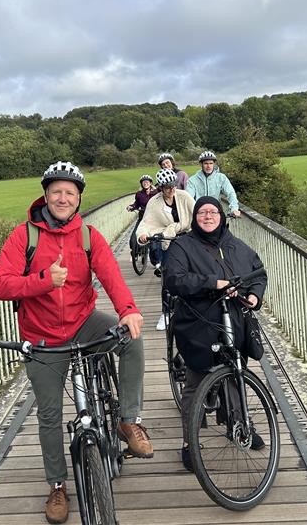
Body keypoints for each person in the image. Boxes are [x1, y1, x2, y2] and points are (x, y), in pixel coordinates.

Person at [0, 160, 153, 524]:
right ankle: (57, 486)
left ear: (79, 198)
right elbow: (1, 284)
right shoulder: (24, 236)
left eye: (70, 192)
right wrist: (44, 280)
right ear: (46, 196)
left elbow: (111, 274)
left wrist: (128, 309)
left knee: (131, 338)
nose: (63, 198)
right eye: (56, 192)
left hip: (83, 322)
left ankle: (128, 420)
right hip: (42, 335)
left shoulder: (88, 236)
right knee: (49, 415)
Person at [162, 196, 268, 471]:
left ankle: (241, 424)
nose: (208, 216)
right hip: (198, 322)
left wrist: (254, 296)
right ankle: (189, 443)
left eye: (213, 212)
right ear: (195, 216)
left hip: (233, 320)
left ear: (221, 216)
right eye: (202, 212)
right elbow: (174, 279)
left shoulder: (235, 246)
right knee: (197, 382)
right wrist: (214, 283)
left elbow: (258, 274)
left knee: (236, 372)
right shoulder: (182, 245)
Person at [136, 168, 195, 278]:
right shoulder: (154, 202)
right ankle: (163, 271)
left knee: (195, 263)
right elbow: (146, 222)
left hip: (187, 233)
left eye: (174, 185)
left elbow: (197, 212)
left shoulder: (184, 196)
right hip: (167, 236)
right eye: (168, 187)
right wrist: (142, 235)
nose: (172, 189)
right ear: (161, 188)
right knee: (167, 264)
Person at [186, 150, 241, 217]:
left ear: (214, 164)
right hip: (199, 214)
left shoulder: (221, 178)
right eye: (206, 163)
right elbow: (188, 198)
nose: (208, 166)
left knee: (224, 227)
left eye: (211, 163)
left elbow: (230, 193)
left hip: (216, 213)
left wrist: (234, 208)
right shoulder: (192, 180)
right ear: (201, 164)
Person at [126, 174, 159, 257]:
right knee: (133, 238)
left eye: (147, 182)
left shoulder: (156, 193)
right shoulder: (139, 194)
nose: (145, 183)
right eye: (144, 182)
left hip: (153, 220)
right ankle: (137, 251)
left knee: (154, 241)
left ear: (151, 183)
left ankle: (156, 259)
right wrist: (131, 207)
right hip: (142, 219)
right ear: (141, 184)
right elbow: (136, 204)